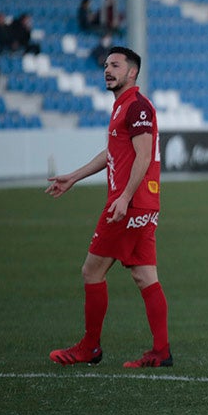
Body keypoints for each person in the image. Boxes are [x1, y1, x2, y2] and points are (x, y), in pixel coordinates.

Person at [46, 46, 172, 368]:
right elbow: (112, 154)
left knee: (92, 270)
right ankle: (161, 351)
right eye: (106, 65)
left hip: (130, 204)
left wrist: (125, 197)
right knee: (145, 276)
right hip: (138, 203)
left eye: (115, 65)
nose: (107, 70)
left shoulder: (137, 107)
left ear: (132, 72)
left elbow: (143, 156)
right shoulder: (122, 108)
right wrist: (73, 177)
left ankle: (90, 347)